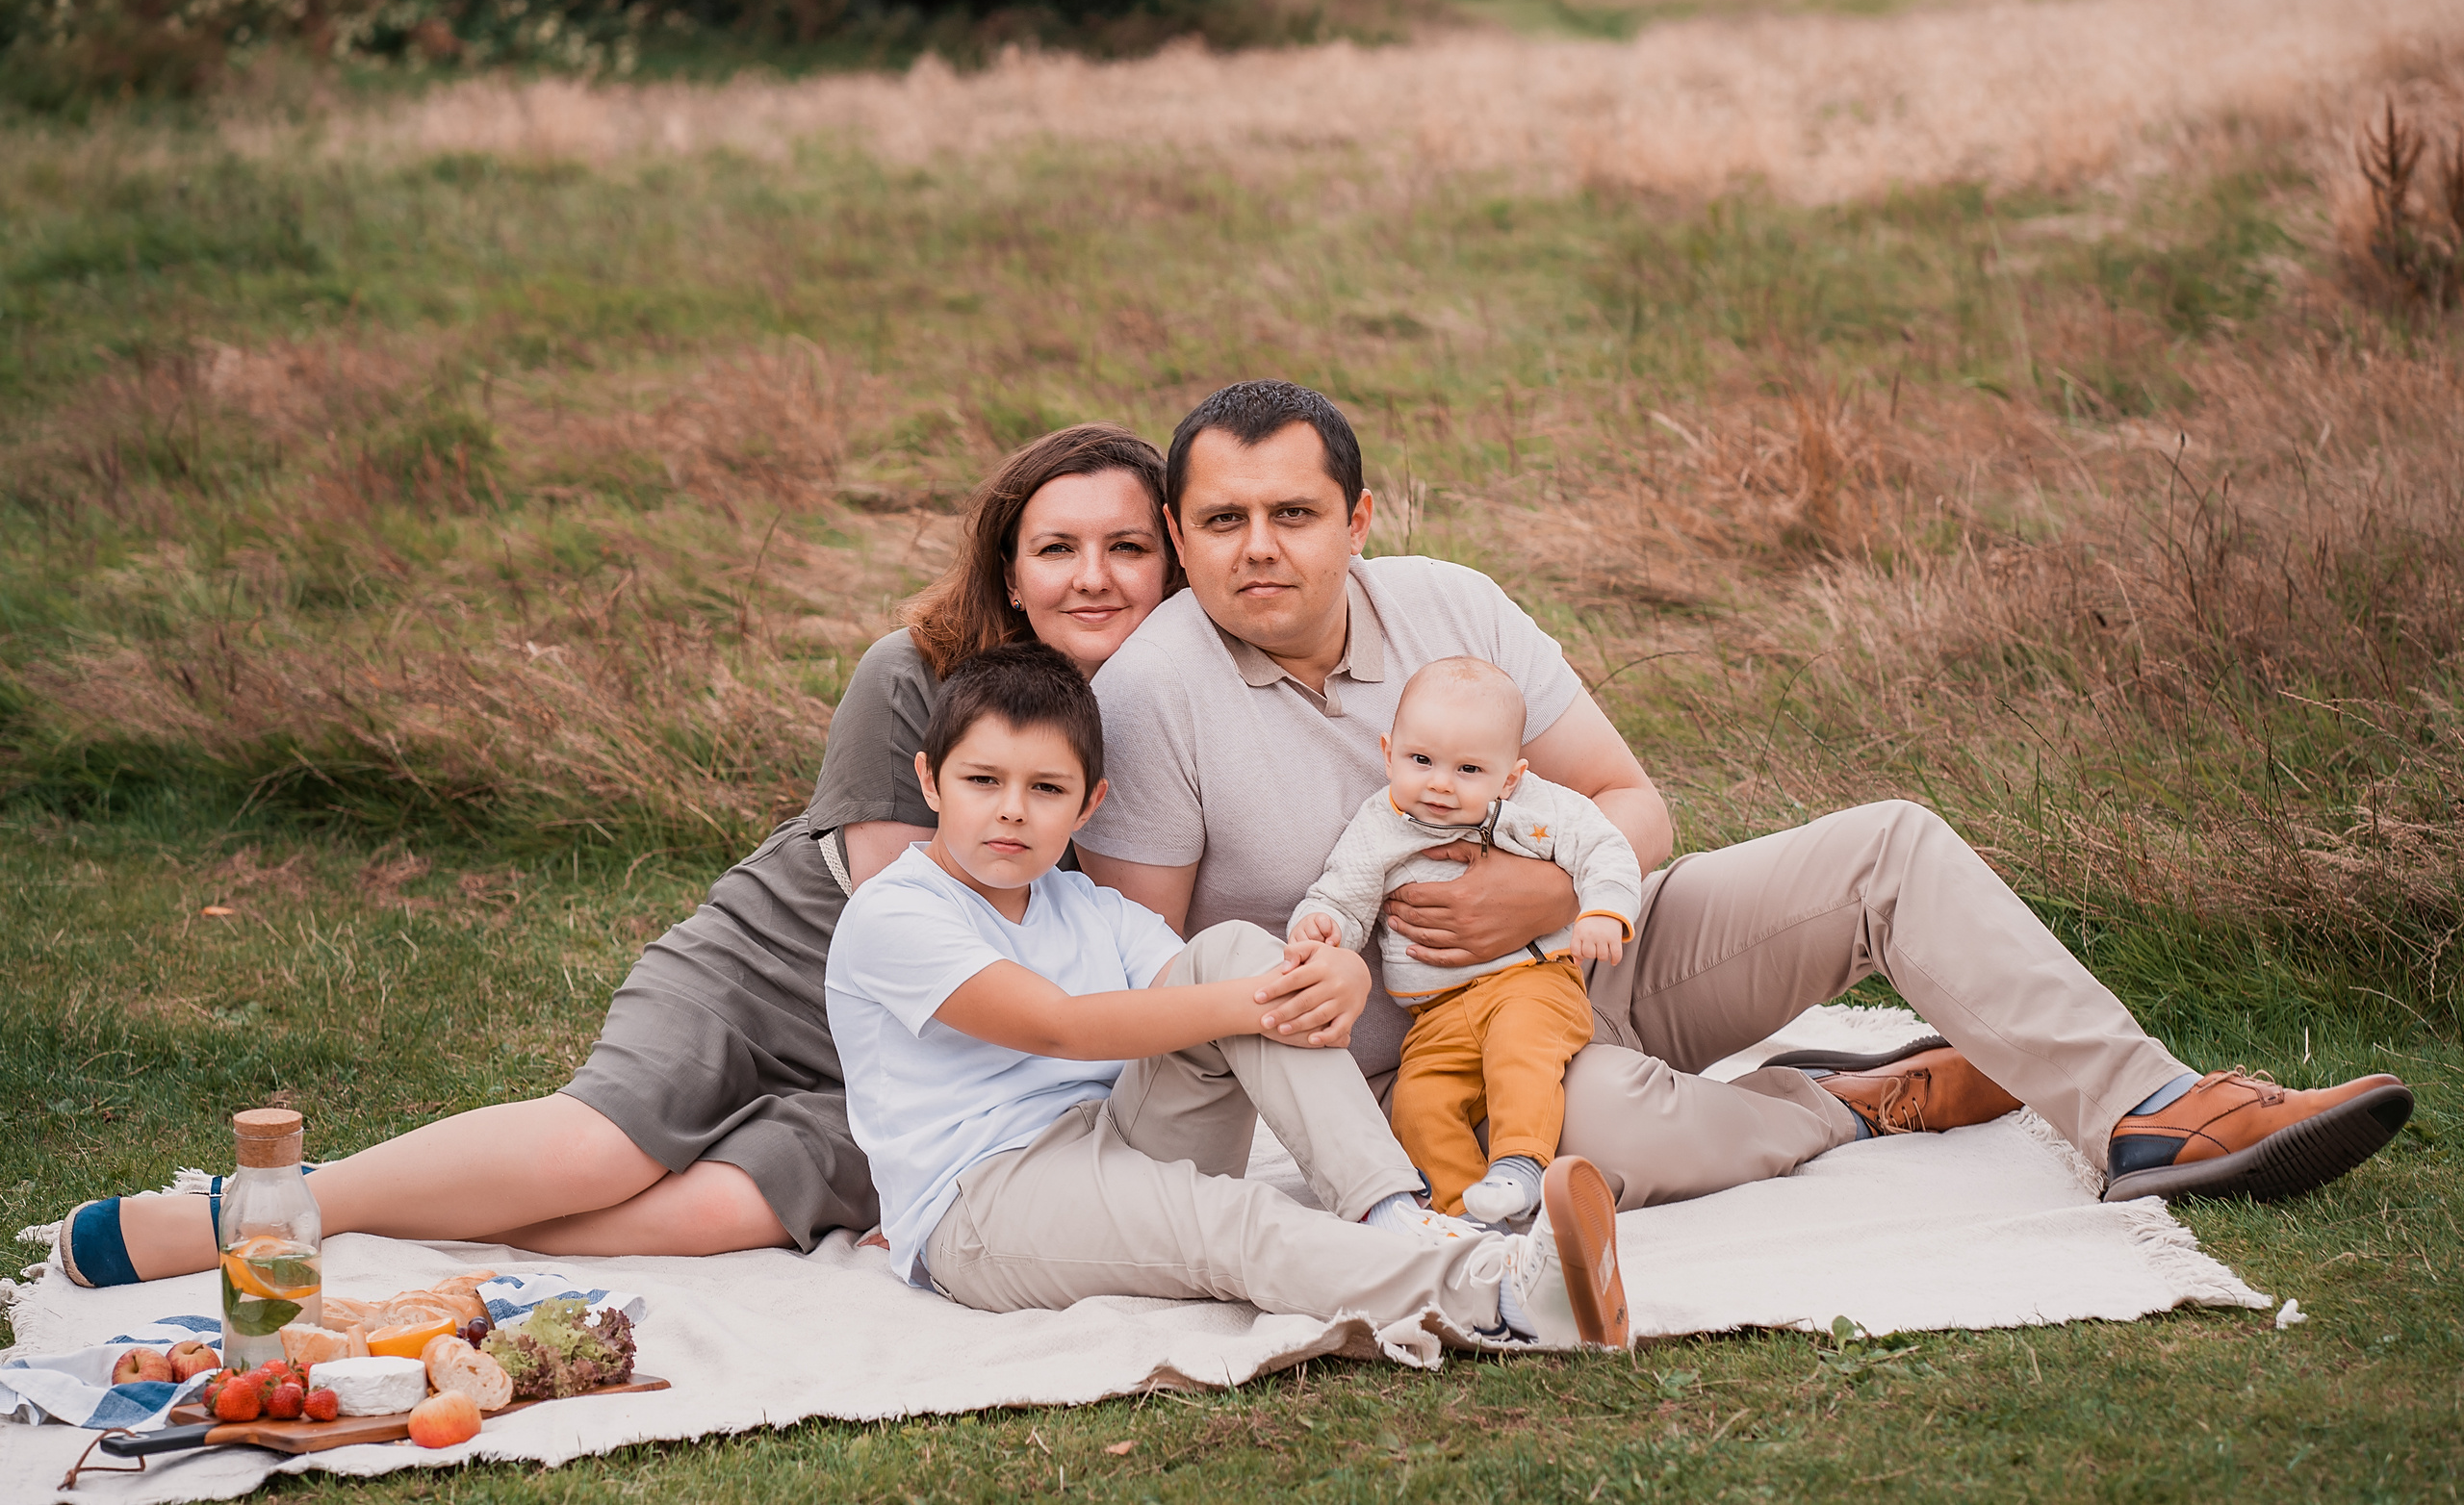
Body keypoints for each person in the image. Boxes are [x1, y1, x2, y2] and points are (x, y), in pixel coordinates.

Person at [1074, 380, 2415, 1212]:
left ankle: (2152, 1110)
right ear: (1182, 534)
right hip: (1430, 1067)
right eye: (1225, 519)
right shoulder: (1153, 687)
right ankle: (1848, 1099)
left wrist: (1542, 890)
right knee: (1590, 1133)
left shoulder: (1449, 601)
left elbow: (1631, 798)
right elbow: (1157, 968)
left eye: (1294, 513)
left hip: (1599, 946)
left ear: (1358, 517)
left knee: (1887, 842)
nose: (1260, 547)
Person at [54, 422, 1195, 1287]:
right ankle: (266, 1212)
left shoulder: (1170, 711)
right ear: (1009, 569)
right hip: (789, 967)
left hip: (933, 1064)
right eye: (1057, 547)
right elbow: (915, 909)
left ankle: (397, 1225)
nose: (1091, 576)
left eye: (1125, 548)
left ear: (1171, 562)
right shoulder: (915, 669)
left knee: (712, 1216)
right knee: (601, 1153)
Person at [825, 641, 1630, 1354]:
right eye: (982, 780)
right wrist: (1261, 999)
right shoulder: (896, 910)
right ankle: (1503, 1296)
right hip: (988, 1201)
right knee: (1234, 1221)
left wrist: (1338, 967)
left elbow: (1232, 988)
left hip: (1119, 1134)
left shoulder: (1085, 906)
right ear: (930, 780)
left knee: (1236, 950)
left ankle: (1387, 1208)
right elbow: (1058, 1027)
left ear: (1088, 805)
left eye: (1044, 787)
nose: (1011, 808)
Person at [1289, 655, 1642, 1226]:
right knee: (1418, 1102)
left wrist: (1603, 909)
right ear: (1388, 753)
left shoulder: (1539, 810)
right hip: (1436, 1014)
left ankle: (1520, 1165)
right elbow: (1343, 894)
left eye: (1469, 770)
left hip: (1532, 982)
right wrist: (1323, 926)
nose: (1440, 784)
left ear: (1510, 777)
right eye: (1421, 760)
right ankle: (1464, 1215)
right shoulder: (1379, 825)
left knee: (1520, 1051)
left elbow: (1605, 848)